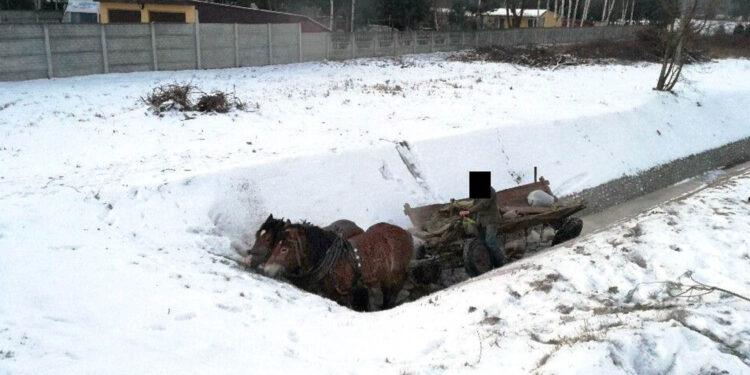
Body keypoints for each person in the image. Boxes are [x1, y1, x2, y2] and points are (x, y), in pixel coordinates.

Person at [459, 186, 504, 267]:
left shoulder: (490, 190)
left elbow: (483, 205)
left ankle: (501, 261)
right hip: (482, 222)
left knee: (490, 241)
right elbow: (474, 203)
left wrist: (469, 211)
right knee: (483, 243)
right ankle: (493, 264)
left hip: (491, 220)